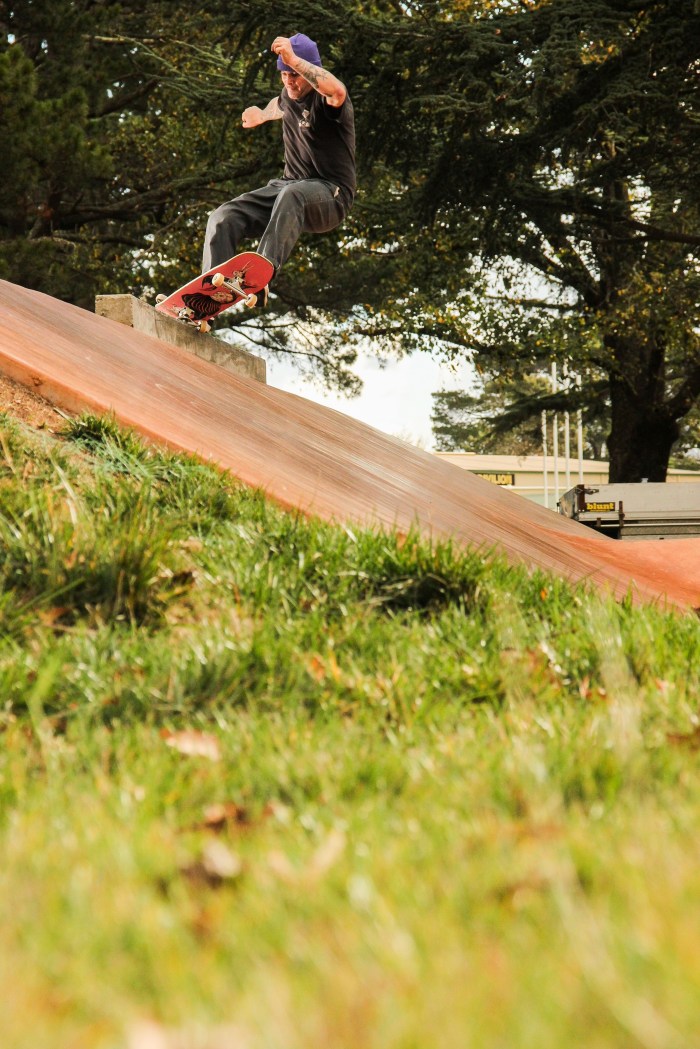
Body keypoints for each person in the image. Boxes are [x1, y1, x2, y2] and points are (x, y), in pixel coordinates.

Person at [201, 33, 356, 304]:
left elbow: (338, 91)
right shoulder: (288, 94)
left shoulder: (327, 102)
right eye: (284, 75)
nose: (289, 81)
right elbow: (280, 105)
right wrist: (262, 115)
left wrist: (294, 60)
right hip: (286, 188)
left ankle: (259, 276)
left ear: (308, 70)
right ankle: (210, 298)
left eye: (294, 75)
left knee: (292, 194)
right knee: (223, 217)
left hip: (331, 196)